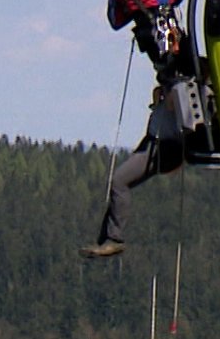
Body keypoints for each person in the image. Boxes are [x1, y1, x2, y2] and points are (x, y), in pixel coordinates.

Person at [82, 77, 193, 258]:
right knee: (118, 183)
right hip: (154, 144)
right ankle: (106, 239)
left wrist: (168, 89)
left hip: (162, 147)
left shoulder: (180, 89)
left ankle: (114, 239)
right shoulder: (175, 89)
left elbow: (174, 105)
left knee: (119, 181)